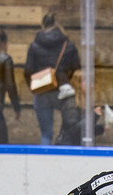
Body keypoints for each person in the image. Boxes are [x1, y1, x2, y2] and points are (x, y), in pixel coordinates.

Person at [23, 12, 80, 145]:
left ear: (43, 25)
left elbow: (28, 70)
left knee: (46, 133)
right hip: (63, 89)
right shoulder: (68, 44)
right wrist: (65, 79)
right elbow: (76, 67)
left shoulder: (34, 45)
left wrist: (33, 87)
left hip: (41, 90)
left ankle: (45, 156)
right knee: (67, 130)